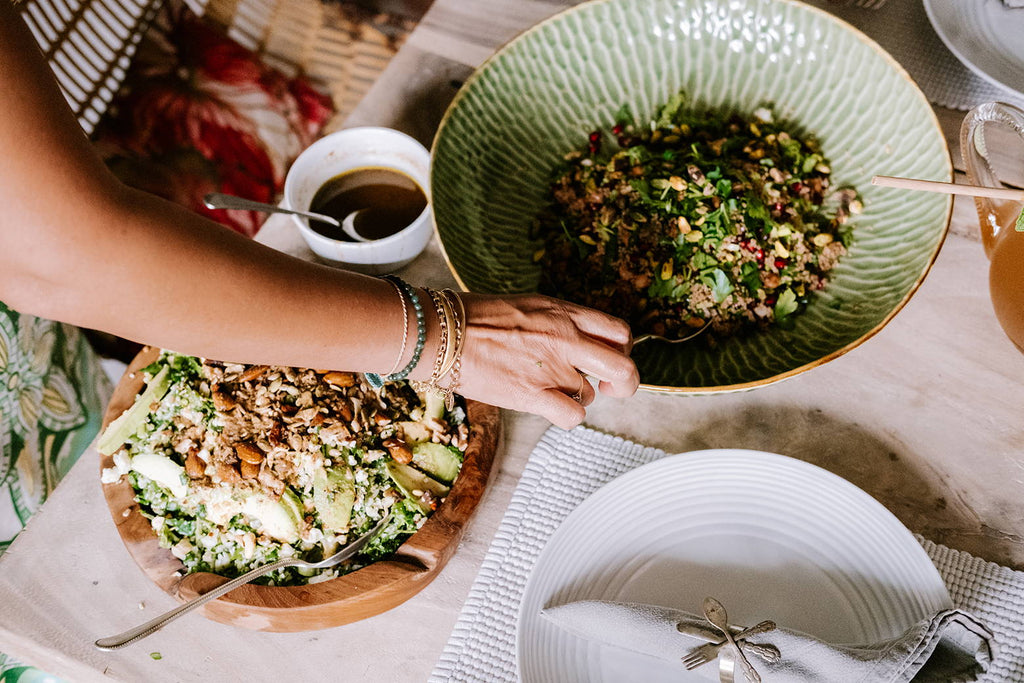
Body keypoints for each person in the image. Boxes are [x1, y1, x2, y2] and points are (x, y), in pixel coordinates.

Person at [0, 2, 638, 677]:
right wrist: (443, 335)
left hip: (29, 372)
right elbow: (62, 254)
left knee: (54, 485)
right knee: (45, 622)